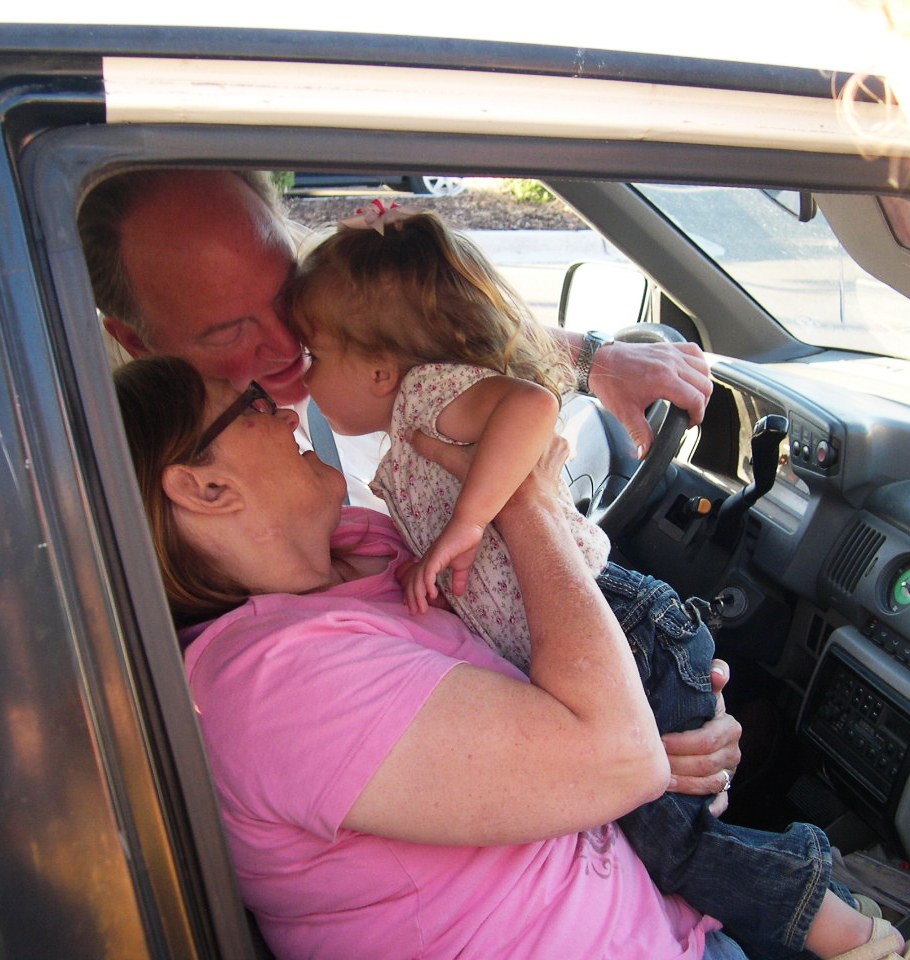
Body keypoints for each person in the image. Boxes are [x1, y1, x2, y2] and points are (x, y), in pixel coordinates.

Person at [287, 206, 903, 960]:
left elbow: (531, 404)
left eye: (314, 356)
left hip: (622, 625)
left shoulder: (428, 394)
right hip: (607, 632)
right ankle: (834, 901)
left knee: (674, 840)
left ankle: (855, 934)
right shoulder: (415, 421)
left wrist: (469, 523)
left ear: (381, 369)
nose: (303, 377)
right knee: (669, 831)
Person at [77, 165, 742, 799]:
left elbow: (422, 339)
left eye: (287, 297)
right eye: (230, 331)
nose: (289, 345)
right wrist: (630, 732)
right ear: (136, 342)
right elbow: (589, 759)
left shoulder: (351, 372)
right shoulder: (206, 550)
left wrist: (597, 358)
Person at [114, 353, 750, 960]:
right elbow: (620, 760)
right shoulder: (268, 685)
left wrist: (671, 713)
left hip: (666, 917)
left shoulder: (363, 547)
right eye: (251, 406)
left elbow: (604, 736)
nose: (283, 411)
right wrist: (518, 495)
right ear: (206, 488)